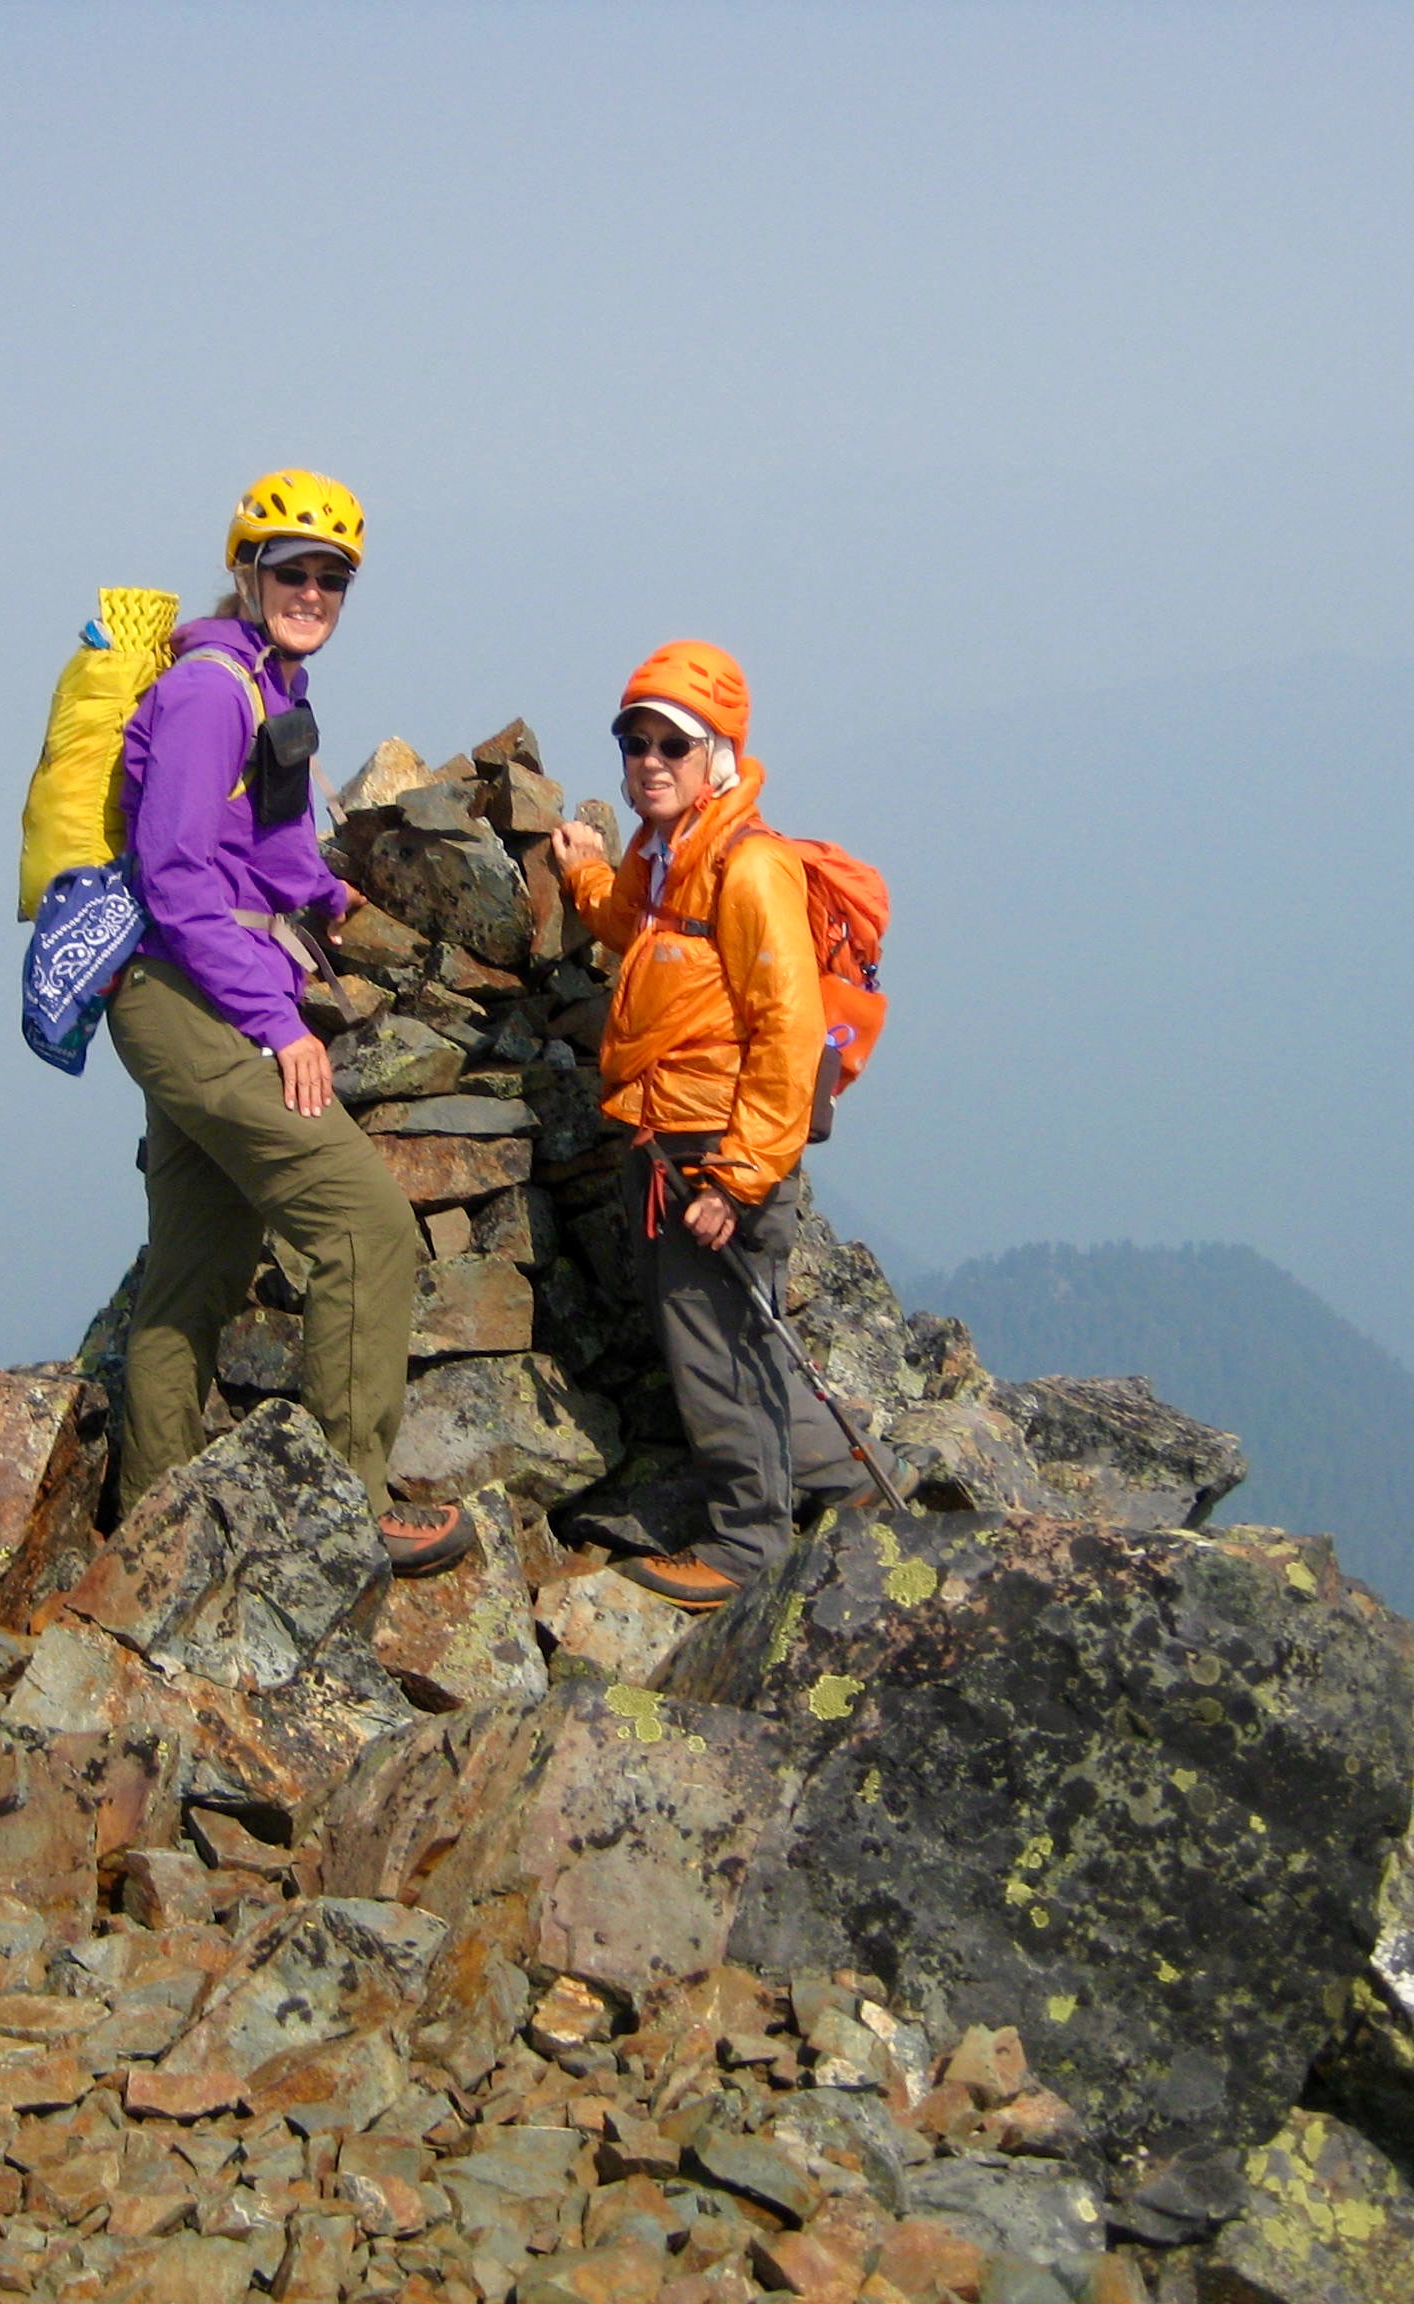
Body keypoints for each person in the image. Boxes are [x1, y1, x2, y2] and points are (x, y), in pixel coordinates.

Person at [106, 468, 470, 1574]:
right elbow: (175, 876)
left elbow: (257, 843)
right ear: (245, 570)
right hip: (190, 998)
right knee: (363, 1228)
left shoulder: (272, 686)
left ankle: (150, 1527)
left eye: (332, 577)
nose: (313, 590)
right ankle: (344, 1516)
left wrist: (323, 894)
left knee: (195, 1266)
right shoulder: (216, 691)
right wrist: (280, 1024)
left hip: (185, 992)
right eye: (292, 570)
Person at [549, 642, 880, 1608]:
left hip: (714, 1154)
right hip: (670, 1143)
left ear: (720, 756)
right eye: (634, 741)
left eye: (674, 746)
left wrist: (738, 1179)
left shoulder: (749, 868)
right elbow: (648, 939)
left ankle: (749, 1547)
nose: (649, 761)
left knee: (714, 1349)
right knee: (735, 1336)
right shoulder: (670, 859)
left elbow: (788, 1029)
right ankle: (847, 1480)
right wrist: (586, 880)